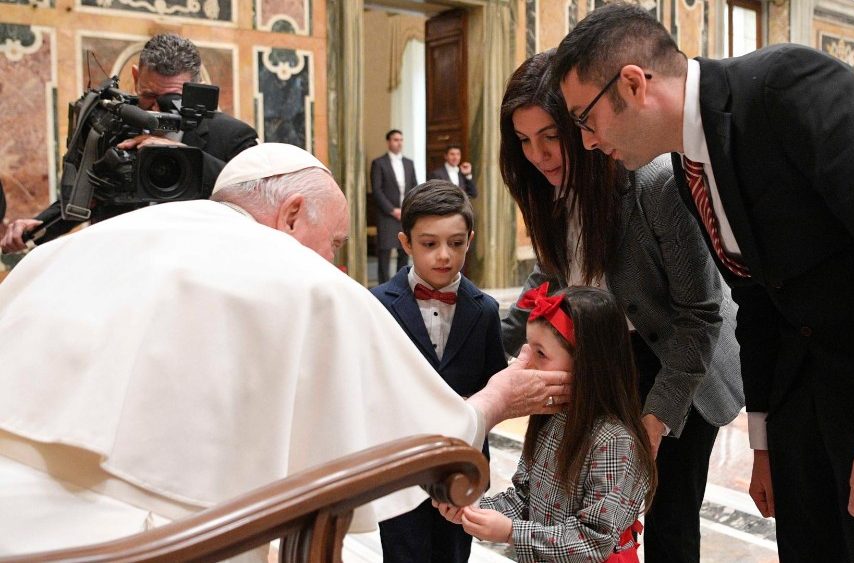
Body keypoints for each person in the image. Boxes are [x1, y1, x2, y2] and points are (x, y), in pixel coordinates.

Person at [550, 5, 854, 561]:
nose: (587, 142)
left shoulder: (790, 89)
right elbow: (757, 295)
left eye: (584, 119)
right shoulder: (693, 163)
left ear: (634, 84)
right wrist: (765, 437)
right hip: (812, 376)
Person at [0, 143, 572, 555]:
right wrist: (495, 399)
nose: (334, 261)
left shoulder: (90, 242)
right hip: (163, 540)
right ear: (293, 215)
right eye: (336, 242)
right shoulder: (300, 279)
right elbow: (416, 431)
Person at [498, 50, 742, 562]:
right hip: (614, 354)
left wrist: (657, 419)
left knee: (669, 513)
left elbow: (700, 314)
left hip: (682, 362)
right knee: (591, 506)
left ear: (581, 125)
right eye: (523, 141)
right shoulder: (554, 193)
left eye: (549, 136)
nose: (539, 155)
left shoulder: (653, 184)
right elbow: (548, 274)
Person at [436, 285, 656, 562]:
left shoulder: (613, 441)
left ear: (586, 362)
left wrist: (512, 533)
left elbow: (593, 541)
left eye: (540, 354)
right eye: (526, 351)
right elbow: (524, 498)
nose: (525, 366)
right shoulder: (551, 417)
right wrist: (474, 510)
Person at [0, 33, 258, 253]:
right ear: (135, 77)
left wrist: (188, 157)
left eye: (172, 99)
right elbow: (90, 197)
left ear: (197, 88)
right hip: (118, 269)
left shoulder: (232, 136)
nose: (156, 109)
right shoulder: (112, 126)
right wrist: (37, 227)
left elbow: (257, 200)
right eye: (148, 96)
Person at [372, 180, 506, 563]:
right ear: (406, 242)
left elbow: (493, 389)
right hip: (400, 464)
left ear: (471, 239)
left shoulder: (485, 311)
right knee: (403, 554)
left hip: (460, 465)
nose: (444, 255)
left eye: (456, 243)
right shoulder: (377, 305)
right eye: (430, 244)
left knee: (453, 553)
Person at [371, 129, 419, 283]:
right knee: (384, 252)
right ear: (388, 142)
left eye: (401, 140)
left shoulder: (409, 163)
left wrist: (407, 208)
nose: (399, 143)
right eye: (395, 140)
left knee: (404, 251)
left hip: (405, 214)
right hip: (387, 215)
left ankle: (401, 285)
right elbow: (376, 190)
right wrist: (392, 210)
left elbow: (414, 186)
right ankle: (383, 287)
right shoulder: (379, 163)